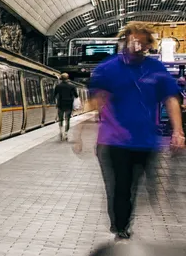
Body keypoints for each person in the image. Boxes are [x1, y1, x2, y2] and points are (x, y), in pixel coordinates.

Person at [74, 24, 185, 240]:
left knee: (134, 186)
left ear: (148, 45)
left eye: (143, 42)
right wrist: (78, 132)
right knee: (119, 187)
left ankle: (123, 221)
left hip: (145, 141)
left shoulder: (156, 69)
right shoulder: (108, 68)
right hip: (112, 141)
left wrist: (178, 131)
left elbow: (171, 99)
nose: (138, 45)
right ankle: (120, 226)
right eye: (135, 40)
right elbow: (95, 102)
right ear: (124, 39)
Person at [52, 73, 77, 140]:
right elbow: (76, 95)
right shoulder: (72, 86)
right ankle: (66, 134)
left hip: (60, 104)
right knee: (67, 120)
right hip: (69, 105)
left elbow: (54, 95)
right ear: (67, 78)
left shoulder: (58, 86)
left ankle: (61, 132)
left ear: (61, 79)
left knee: (60, 119)